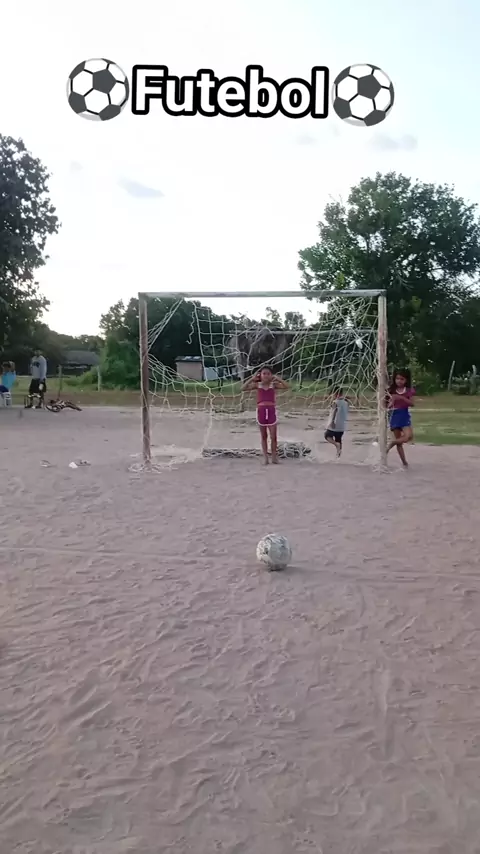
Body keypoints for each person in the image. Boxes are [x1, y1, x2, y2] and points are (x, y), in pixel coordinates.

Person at [243, 366, 288, 464]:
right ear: (260, 375)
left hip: (271, 410)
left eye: (268, 373)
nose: (266, 375)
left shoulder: (273, 385)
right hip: (261, 411)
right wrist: (252, 378)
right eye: (264, 373)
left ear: (271, 375)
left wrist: (278, 378)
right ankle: (265, 458)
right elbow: (243, 388)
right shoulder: (257, 385)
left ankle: (274, 457)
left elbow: (286, 386)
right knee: (264, 436)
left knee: (273, 436)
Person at [387, 368, 415, 468]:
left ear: (406, 380)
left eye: (402, 379)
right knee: (399, 442)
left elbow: (412, 403)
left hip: (404, 415)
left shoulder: (409, 391)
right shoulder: (391, 391)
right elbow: (388, 405)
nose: (399, 381)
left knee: (408, 436)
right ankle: (404, 462)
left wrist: (401, 398)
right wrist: (391, 402)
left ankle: (391, 444)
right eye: (397, 378)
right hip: (394, 415)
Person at [325, 388, 349, 457]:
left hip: (334, 425)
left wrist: (332, 422)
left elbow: (334, 412)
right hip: (342, 426)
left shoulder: (335, 402)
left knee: (327, 435)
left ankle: (336, 444)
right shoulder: (346, 403)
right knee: (339, 439)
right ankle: (338, 456)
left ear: (336, 394)